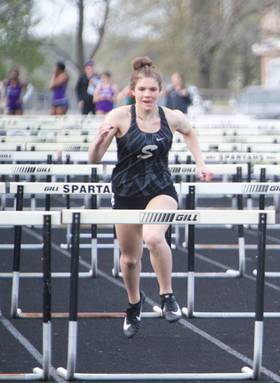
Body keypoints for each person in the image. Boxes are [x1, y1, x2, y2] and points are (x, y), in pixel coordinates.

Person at [87, 56, 213, 339]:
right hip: (126, 192)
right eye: (142, 90)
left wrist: (201, 163)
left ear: (161, 90)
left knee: (155, 238)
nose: (147, 95)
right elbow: (94, 160)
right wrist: (96, 144)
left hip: (160, 190)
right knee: (130, 260)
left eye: (152, 90)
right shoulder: (118, 116)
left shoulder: (171, 117)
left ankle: (167, 295)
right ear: (133, 91)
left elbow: (190, 132)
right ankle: (134, 303)